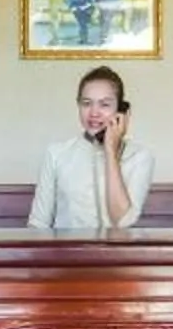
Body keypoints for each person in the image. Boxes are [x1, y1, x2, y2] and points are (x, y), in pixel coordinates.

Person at [27, 64, 151, 229]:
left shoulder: (140, 156)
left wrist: (110, 151)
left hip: (117, 254)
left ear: (121, 110)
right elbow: (38, 223)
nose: (94, 112)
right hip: (66, 253)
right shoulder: (57, 154)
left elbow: (122, 221)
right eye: (86, 103)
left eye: (105, 104)